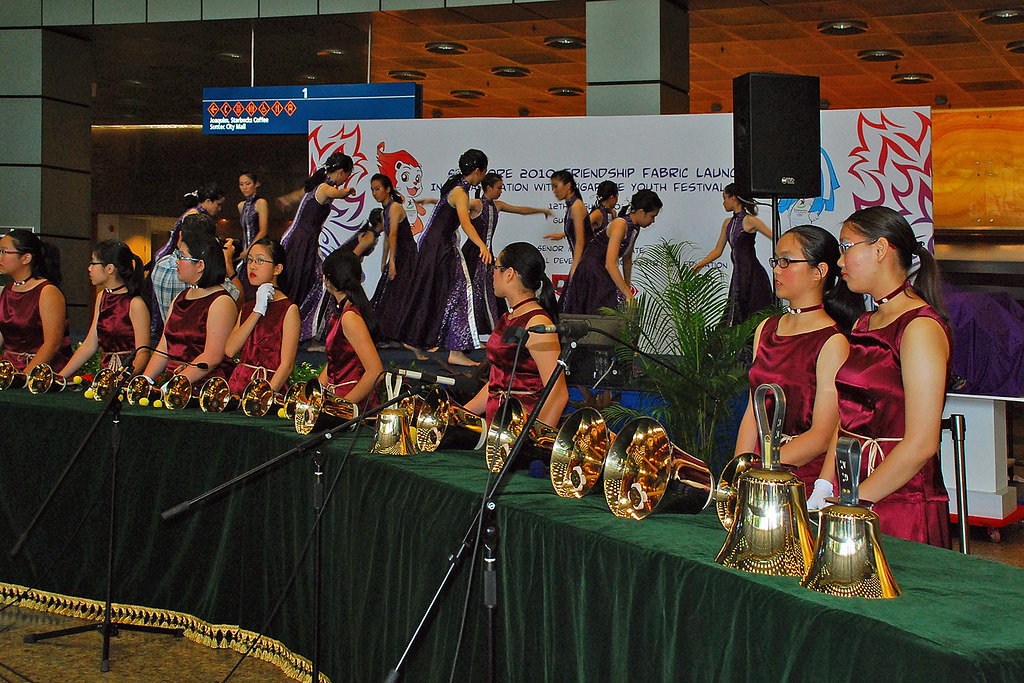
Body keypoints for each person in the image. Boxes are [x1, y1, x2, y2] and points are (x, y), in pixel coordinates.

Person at [813, 206, 952, 548]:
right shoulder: (864, 323)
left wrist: (855, 501)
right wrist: (824, 485)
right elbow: (846, 422)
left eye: (847, 247)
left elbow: (921, 444)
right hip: (853, 487)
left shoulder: (919, 327)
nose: (840, 262)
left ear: (880, 249)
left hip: (900, 500)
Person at [734, 225, 862, 493]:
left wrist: (760, 470)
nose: (777, 270)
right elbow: (752, 412)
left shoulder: (832, 341)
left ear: (819, 272)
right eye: (776, 261)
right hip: (758, 472)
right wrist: (738, 471)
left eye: (787, 262)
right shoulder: (766, 328)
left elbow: (821, 436)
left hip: (797, 480)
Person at [398, 149, 492, 366]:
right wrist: (482, 246)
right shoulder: (460, 191)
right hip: (440, 246)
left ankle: (416, 339)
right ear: (478, 171)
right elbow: (466, 223)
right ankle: (456, 350)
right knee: (461, 289)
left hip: (436, 244)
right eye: (483, 172)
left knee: (433, 290)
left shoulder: (456, 186)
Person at [465, 242, 568, 428]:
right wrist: (460, 415)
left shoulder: (538, 323)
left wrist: (533, 441)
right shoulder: (509, 316)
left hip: (520, 433)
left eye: (496, 268)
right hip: (498, 433)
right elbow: (496, 384)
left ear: (510, 273)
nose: (493, 274)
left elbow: (558, 394)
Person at [139, 228, 238, 387]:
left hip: (205, 390)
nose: (176, 261)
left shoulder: (221, 302)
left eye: (182, 256)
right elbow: (164, 346)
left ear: (200, 265)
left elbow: (212, 356)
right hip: (176, 387)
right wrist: (146, 380)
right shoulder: (181, 297)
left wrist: (174, 385)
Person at [281, 152, 357, 342]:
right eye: (347, 175)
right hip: (300, 241)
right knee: (308, 282)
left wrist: (287, 199)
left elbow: (300, 195)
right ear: (340, 172)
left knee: (312, 281)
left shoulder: (317, 184)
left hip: (304, 240)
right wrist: (347, 192)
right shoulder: (324, 187)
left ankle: (302, 330)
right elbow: (335, 193)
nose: (346, 179)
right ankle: (296, 330)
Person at [465, 172, 551, 335]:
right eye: (498, 188)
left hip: (487, 253)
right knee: (473, 292)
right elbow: (455, 204)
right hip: (473, 253)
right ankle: (471, 333)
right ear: (488, 187)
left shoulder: (497, 205)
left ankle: (489, 331)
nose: (501, 191)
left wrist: (539, 210)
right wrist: (436, 202)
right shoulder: (477, 204)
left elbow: (521, 210)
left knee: (490, 291)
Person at [559, 189, 662, 314]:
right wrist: (627, 293)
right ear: (641, 212)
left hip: (601, 268)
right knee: (602, 309)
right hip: (591, 268)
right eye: (652, 216)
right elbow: (610, 263)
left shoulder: (635, 228)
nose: (653, 221)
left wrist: (627, 289)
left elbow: (627, 260)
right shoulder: (620, 225)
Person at [60, 240, 151, 378]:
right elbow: (90, 344)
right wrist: (61, 376)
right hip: (105, 377)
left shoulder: (135, 303)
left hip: (126, 379)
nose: (89, 268)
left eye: (93, 263)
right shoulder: (102, 297)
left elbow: (143, 352)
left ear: (109, 268)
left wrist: (122, 378)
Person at [224, 238, 299, 395]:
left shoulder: (288, 309)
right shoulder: (249, 307)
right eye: (250, 260)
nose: (252, 266)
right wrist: (257, 311)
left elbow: (287, 365)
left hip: (267, 389)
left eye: (260, 260)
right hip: (238, 387)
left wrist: (263, 397)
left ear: (277, 269)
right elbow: (230, 350)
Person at [693, 183, 775, 325]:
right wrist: (700, 264)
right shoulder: (728, 223)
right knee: (737, 312)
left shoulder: (749, 220)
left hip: (753, 274)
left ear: (734, 198)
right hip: (739, 274)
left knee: (753, 312)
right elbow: (718, 250)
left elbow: (775, 236)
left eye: (725, 198)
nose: (723, 202)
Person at [150, 213, 241, 338]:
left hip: (171, 343)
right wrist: (227, 263)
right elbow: (238, 301)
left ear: (180, 235)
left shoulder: (161, 265)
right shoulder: (203, 275)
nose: (178, 261)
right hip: (199, 347)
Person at [0, 229, 71, 374]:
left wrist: (25, 376)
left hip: (40, 373)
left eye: (4, 252)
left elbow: (52, 343)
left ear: (26, 258)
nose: (0, 257)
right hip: (10, 371)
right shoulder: (8, 290)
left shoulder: (47, 291)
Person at [319, 249, 383, 407]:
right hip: (340, 400)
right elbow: (337, 361)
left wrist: (342, 406)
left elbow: (375, 372)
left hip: (353, 406)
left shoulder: (349, 317)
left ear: (327, 280)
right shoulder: (345, 314)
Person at [368, 174, 419, 344]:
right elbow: (387, 238)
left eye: (378, 189)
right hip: (397, 254)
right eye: (373, 190)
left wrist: (392, 262)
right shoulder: (384, 212)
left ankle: (402, 334)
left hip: (406, 254)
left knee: (402, 293)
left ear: (388, 189)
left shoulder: (395, 207)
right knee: (388, 293)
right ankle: (390, 334)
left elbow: (394, 234)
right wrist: (384, 260)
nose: (375, 193)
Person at [544, 170, 591, 301]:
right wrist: (562, 234)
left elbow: (581, 240)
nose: (554, 191)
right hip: (583, 262)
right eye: (552, 187)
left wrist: (574, 268)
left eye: (556, 186)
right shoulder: (572, 206)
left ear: (568, 185)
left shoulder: (576, 206)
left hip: (587, 263)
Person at [153, 183, 227, 264]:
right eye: (218, 204)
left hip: (175, 259)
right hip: (169, 260)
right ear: (208, 201)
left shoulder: (197, 213)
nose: (220, 209)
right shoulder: (194, 214)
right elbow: (182, 243)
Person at [237, 170, 269, 261]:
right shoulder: (241, 206)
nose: (244, 187)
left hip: (259, 248)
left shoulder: (261, 203)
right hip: (245, 251)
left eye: (247, 183)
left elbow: (263, 231)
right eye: (241, 184)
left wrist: (249, 250)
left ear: (256, 184)